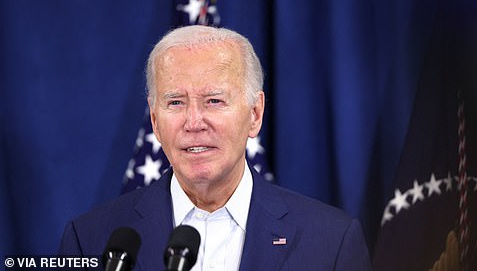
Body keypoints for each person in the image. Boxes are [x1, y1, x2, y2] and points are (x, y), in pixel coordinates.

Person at [59, 25, 372, 271]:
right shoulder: (90, 240)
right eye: (176, 102)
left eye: (214, 101)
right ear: (155, 121)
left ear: (255, 114)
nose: (194, 122)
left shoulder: (330, 243)